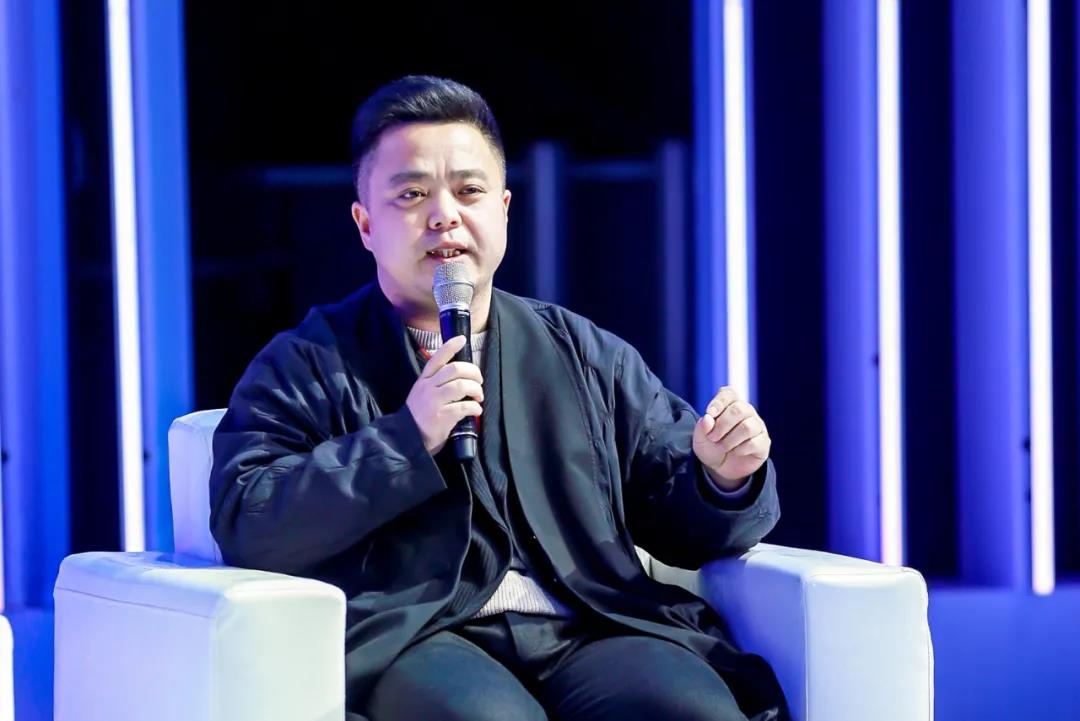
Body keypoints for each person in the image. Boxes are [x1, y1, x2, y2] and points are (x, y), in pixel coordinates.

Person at [209, 75, 788, 721]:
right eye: (411, 194)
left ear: (504, 209)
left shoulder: (581, 351)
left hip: (591, 620)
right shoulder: (307, 364)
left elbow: (674, 515)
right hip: (415, 635)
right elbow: (249, 523)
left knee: (692, 710)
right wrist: (405, 439)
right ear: (365, 224)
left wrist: (723, 479)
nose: (444, 215)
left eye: (469, 191)